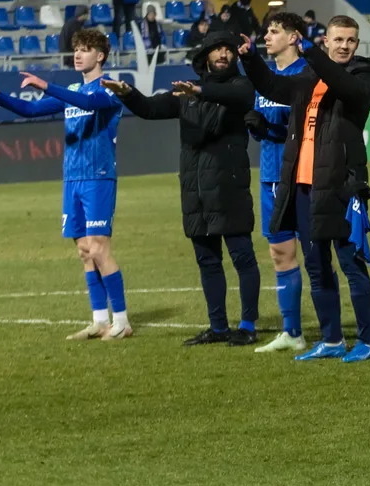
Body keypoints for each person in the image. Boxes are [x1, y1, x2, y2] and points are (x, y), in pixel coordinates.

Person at [239, 15, 370, 362]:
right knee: (317, 266)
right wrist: (251, 58)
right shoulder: (308, 76)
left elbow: (346, 88)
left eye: (350, 40)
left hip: (342, 185)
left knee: (351, 265)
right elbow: (273, 87)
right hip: (304, 186)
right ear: (327, 40)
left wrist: (312, 54)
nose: (344, 46)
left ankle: (367, 341)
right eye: (338, 39)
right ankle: (332, 340)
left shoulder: (364, 73)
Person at [103, 35, 261, 347]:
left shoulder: (240, 86)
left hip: (229, 187)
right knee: (207, 261)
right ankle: (218, 327)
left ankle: (247, 326)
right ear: (205, 56)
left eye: (228, 50)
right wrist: (127, 93)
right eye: (217, 49)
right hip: (195, 191)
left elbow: (238, 96)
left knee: (242, 257)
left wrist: (199, 91)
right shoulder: (187, 94)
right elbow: (149, 109)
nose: (223, 54)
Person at [0, 30, 129, 341]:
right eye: (76, 49)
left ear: (100, 56)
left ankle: (122, 321)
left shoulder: (110, 88)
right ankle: (99, 320)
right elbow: (30, 110)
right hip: (72, 179)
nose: (77, 54)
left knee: (100, 247)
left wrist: (46, 86)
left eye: (85, 49)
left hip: (98, 176)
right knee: (84, 251)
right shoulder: (73, 90)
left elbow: (89, 102)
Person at [243, 14, 311, 353]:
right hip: (270, 175)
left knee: (315, 254)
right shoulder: (264, 79)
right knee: (279, 252)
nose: (267, 37)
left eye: (274, 31)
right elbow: (270, 130)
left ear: (294, 37)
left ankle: (333, 331)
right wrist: (259, 128)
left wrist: (274, 127)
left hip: (302, 175)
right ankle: (292, 332)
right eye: (266, 32)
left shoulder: (307, 74)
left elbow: (307, 129)